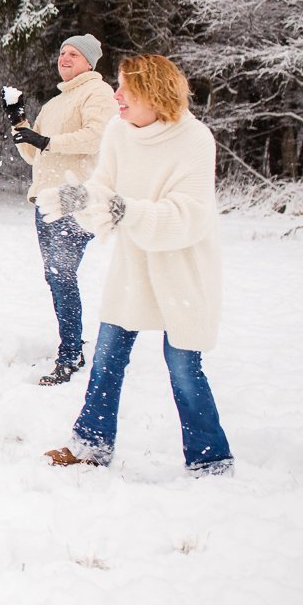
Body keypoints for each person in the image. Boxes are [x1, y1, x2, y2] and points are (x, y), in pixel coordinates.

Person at [37, 54, 233, 475]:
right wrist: (74, 199)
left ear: (155, 93)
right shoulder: (118, 132)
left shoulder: (194, 139)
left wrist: (123, 210)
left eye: (126, 88)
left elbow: (188, 215)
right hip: (133, 269)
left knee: (182, 365)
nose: (117, 95)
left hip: (183, 269)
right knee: (107, 356)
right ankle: (90, 444)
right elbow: (102, 190)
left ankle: (210, 458)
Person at [8, 33, 119, 384]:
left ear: (89, 61)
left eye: (73, 54)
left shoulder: (97, 93)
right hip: (46, 198)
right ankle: (72, 344)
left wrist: (47, 141)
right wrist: (19, 123)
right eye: (61, 52)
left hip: (77, 196)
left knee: (60, 273)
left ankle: (70, 354)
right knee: (57, 275)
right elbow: (33, 154)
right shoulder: (56, 103)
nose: (65, 58)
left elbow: (99, 137)